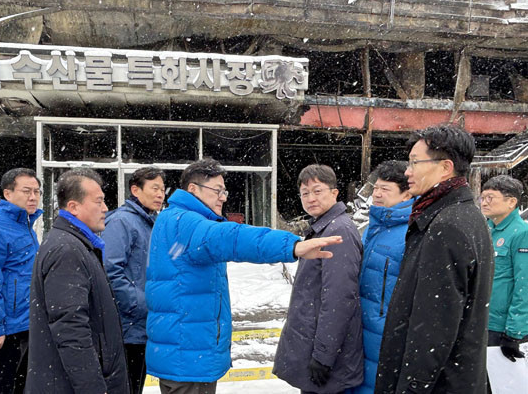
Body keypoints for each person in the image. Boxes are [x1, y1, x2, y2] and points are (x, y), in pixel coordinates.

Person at [145, 158, 343, 394]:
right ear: (193, 189)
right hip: (188, 355)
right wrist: (292, 246)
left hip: (184, 349)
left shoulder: (174, 217)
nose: (223, 197)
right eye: (217, 190)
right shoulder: (187, 222)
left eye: (224, 191)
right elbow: (231, 237)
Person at [375, 125, 494, 394]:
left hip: (439, 384)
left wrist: (412, 387)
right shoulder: (465, 214)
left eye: (415, 162)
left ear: (445, 168)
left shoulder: (446, 225)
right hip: (457, 377)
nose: (407, 172)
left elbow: (433, 325)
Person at [26, 168, 129, 394]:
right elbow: (70, 329)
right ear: (73, 207)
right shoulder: (67, 250)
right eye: (99, 201)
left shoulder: (77, 245)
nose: (105, 208)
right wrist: (94, 388)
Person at [273, 164, 364, 394]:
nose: (310, 198)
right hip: (315, 344)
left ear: (334, 193)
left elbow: (338, 299)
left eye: (317, 191)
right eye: (305, 193)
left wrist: (324, 355)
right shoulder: (323, 227)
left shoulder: (338, 232)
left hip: (327, 354)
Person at [0, 168, 42, 394]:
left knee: (24, 387)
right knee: (4, 388)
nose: (33, 197)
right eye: (26, 191)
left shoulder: (26, 227)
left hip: (28, 324)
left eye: (37, 192)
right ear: (7, 194)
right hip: (8, 329)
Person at [349, 161, 413, 394]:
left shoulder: (412, 232)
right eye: (375, 188)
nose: (376, 194)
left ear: (407, 194)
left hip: (387, 333)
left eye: (385, 189)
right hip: (361, 327)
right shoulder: (373, 226)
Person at [101, 166, 166, 394]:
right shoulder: (122, 222)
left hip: (142, 326)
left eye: (163, 189)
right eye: (154, 188)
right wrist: (141, 304)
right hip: (126, 327)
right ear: (135, 190)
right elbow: (110, 270)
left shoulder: (150, 222)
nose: (160, 194)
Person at [480, 175, 527, 386]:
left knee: (506, 384)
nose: (484, 202)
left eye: (491, 197)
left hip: (504, 327)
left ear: (511, 202)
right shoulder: (487, 229)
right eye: (482, 197)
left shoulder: (522, 233)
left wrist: (515, 331)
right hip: (484, 322)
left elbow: (524, 284)